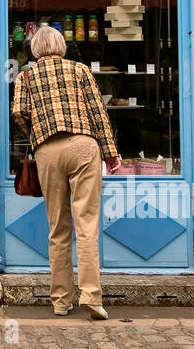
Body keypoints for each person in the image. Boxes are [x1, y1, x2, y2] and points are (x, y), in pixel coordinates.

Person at [10, 25, 121, 318]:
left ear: (35, 50)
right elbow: (98, 112)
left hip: (47, 150)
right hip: (84, 145)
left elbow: (18, 112)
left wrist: (37, 134)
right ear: (61, 45)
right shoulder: (80, 70)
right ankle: (91, 296)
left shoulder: (26, 76)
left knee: (58, 228)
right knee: (87, 224)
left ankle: (60, 300)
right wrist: (110, 154)